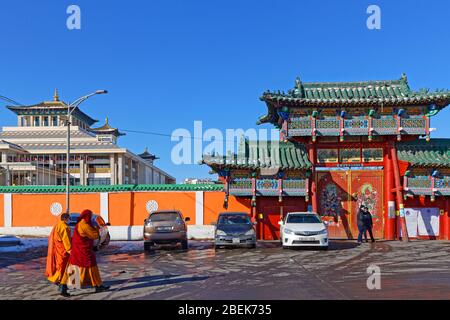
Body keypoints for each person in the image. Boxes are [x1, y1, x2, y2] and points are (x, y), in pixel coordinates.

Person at [62, 209, 110, 293]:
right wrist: (100, 228)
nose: (91, 217)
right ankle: (64, 286)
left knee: (75, 267)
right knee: (91, 267)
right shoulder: (84, 225)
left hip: (78, 250)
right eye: (90, 216)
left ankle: (64, 286)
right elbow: (94, 235)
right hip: (84, 251)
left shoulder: (81, 223)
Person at [45, 213, 72, 297]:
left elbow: (51, 237)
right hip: (63, 251)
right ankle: (61, 286)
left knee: (59, 266)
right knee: (63, 269)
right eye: (69, 218)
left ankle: (59, 282)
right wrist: (71, 251)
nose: (70, 220)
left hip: (57, 249)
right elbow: (66, 241)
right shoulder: (65, 227)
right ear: (66, 219)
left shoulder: (57, 225)